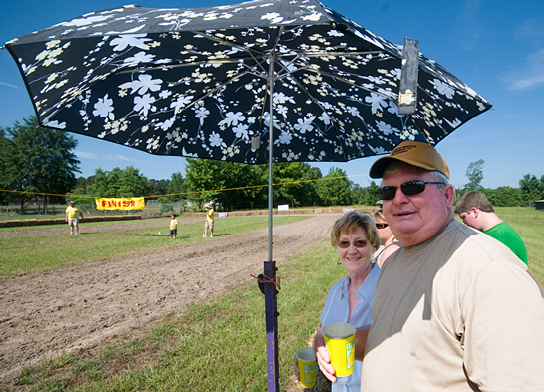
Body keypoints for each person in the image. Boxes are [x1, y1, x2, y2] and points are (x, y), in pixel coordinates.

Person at [355, 140, 544, 391]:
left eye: (413, 186)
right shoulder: (394, 260)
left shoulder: (489, 270)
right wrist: (335, 341)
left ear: (447, 196)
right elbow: (394, 335)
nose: (397, 199)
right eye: (388, 191)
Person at [295, 211, 381, 392]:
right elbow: (322, 331)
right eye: (344, 243)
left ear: (374, 246)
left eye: (360, 242)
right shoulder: (335, 291)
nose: (351, 250)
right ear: (337, 248)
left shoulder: (387, 288)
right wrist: (314, 352)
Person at [454, 191, 528, 264]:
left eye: (464, 217)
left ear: (474, 212)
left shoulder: (501, 236)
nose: (464, 223)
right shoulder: (491, 233)